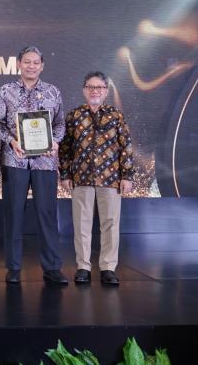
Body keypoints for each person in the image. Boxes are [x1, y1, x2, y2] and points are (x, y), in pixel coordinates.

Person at [0, 46, 67, 285]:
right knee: (13, 214)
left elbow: (60, 124)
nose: (31, 66)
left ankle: (52, 267)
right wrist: (11, 141)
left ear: (42, 66)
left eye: (36, 62)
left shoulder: (53, 92)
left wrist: (55, 141)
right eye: (27, 61)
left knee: (47, 214)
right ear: (19, 64)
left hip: (45, 162)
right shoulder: (6, 91)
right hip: (14, 159)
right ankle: (14, 268)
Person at [59, 72, 135, 286]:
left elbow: (126, 146)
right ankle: (83, 266)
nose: (95, 91)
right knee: (81, 224)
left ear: (106, 91)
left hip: (110, 178)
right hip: (81, 177)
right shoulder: (74, 116)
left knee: (110, 223)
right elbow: (65, 148)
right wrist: (65, 174)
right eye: (90, 87)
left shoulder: (116, 115)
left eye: (99, 87)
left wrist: (127, 176)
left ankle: (108, 267)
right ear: (84, 90)